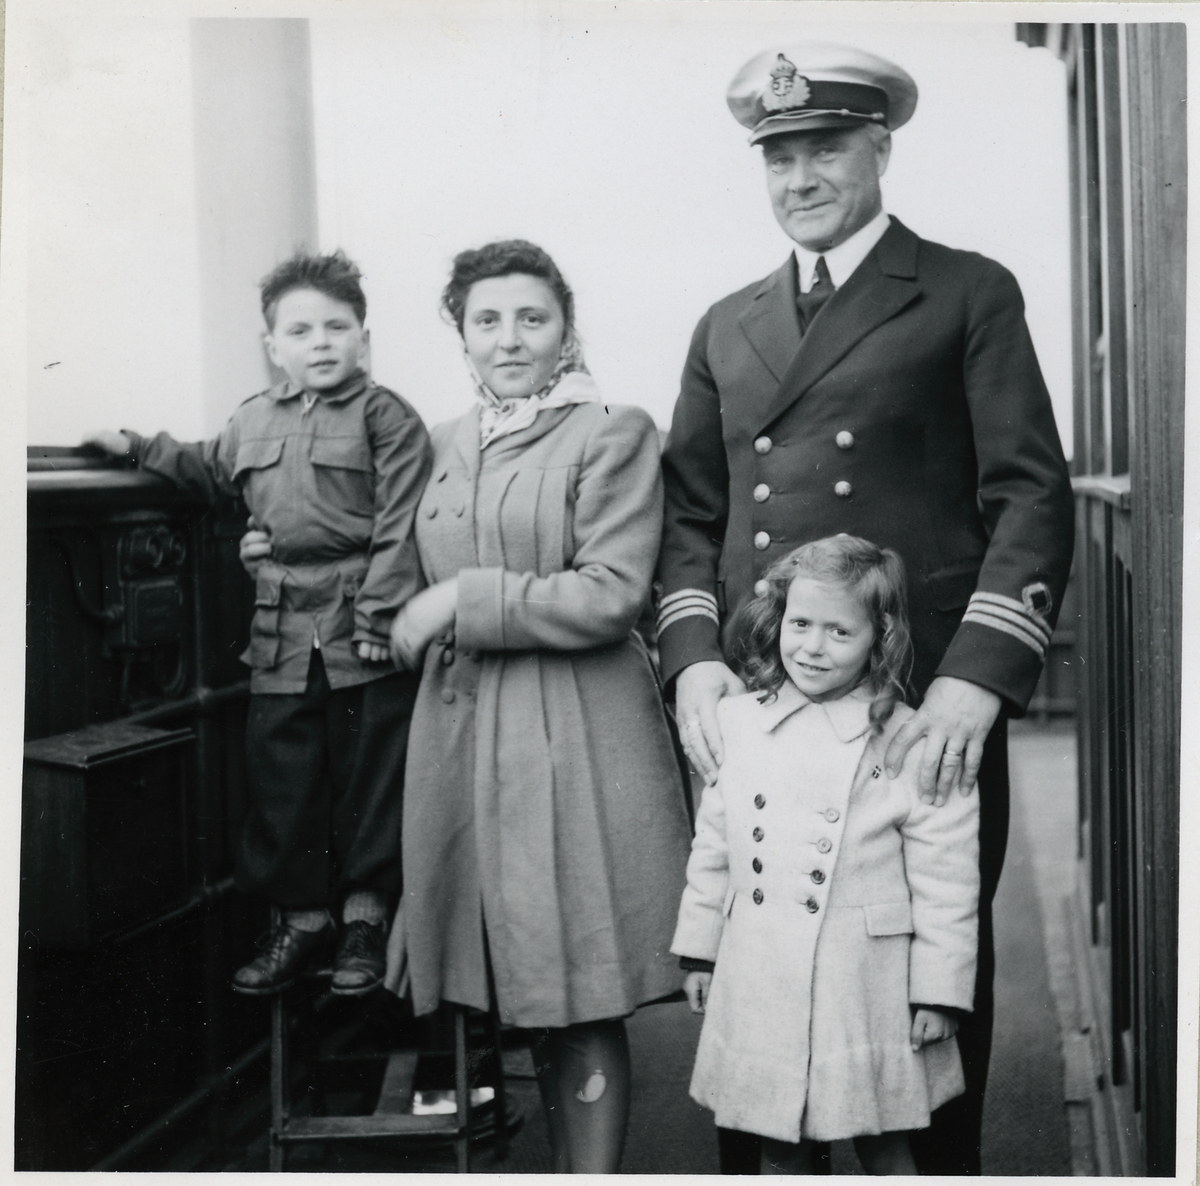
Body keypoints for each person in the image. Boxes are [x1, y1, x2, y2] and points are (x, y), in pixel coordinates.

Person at [656, 44, 1075, 1174]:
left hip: (916, 701)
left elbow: (1030, 496)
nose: (799, 178)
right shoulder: (726, 322)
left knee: (925, 967)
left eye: (826, 150)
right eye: (778, 158)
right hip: (763, 700)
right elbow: (689, 511)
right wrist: (693, 658)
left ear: (880, 148)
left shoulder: (966, 291)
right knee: (759, 949)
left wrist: (975, 681)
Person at [384, 239, 693, 1173]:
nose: (509, 338)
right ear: (462, 335)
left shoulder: (612, 431)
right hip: (464, 735)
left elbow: (611, 593)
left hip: (572, 734)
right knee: (511, 985)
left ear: (566, 328)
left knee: (579, 990)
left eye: (532, 317)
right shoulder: (444, 442)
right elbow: (396, 564)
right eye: (487, 320)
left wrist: (461, 599)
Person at [85, 251, 431, 997]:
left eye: (337, 327)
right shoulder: (251, 419)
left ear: (364, 337)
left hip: (364, 631)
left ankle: (365, 921)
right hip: (281, 631)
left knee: (371, 778)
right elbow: (208, 469)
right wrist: (139, 448)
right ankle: (302, 921)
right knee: (283, 779)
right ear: (273, 345)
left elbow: (403, 522)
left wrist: (380, 617)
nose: (321, 343)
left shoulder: (387, 417)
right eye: (300, 331)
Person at [672, 535, 979, 1175]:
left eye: (839, 631)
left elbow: (947, 879)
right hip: (762, 969)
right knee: (776, 1142)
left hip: (864, 984)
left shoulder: (908, 740)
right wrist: (700, 949)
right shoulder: (740, 723)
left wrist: (939, 992)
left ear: (880, 637)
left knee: (884, 1142)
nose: (813, 647)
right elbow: (714, 846)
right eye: (801, 624)